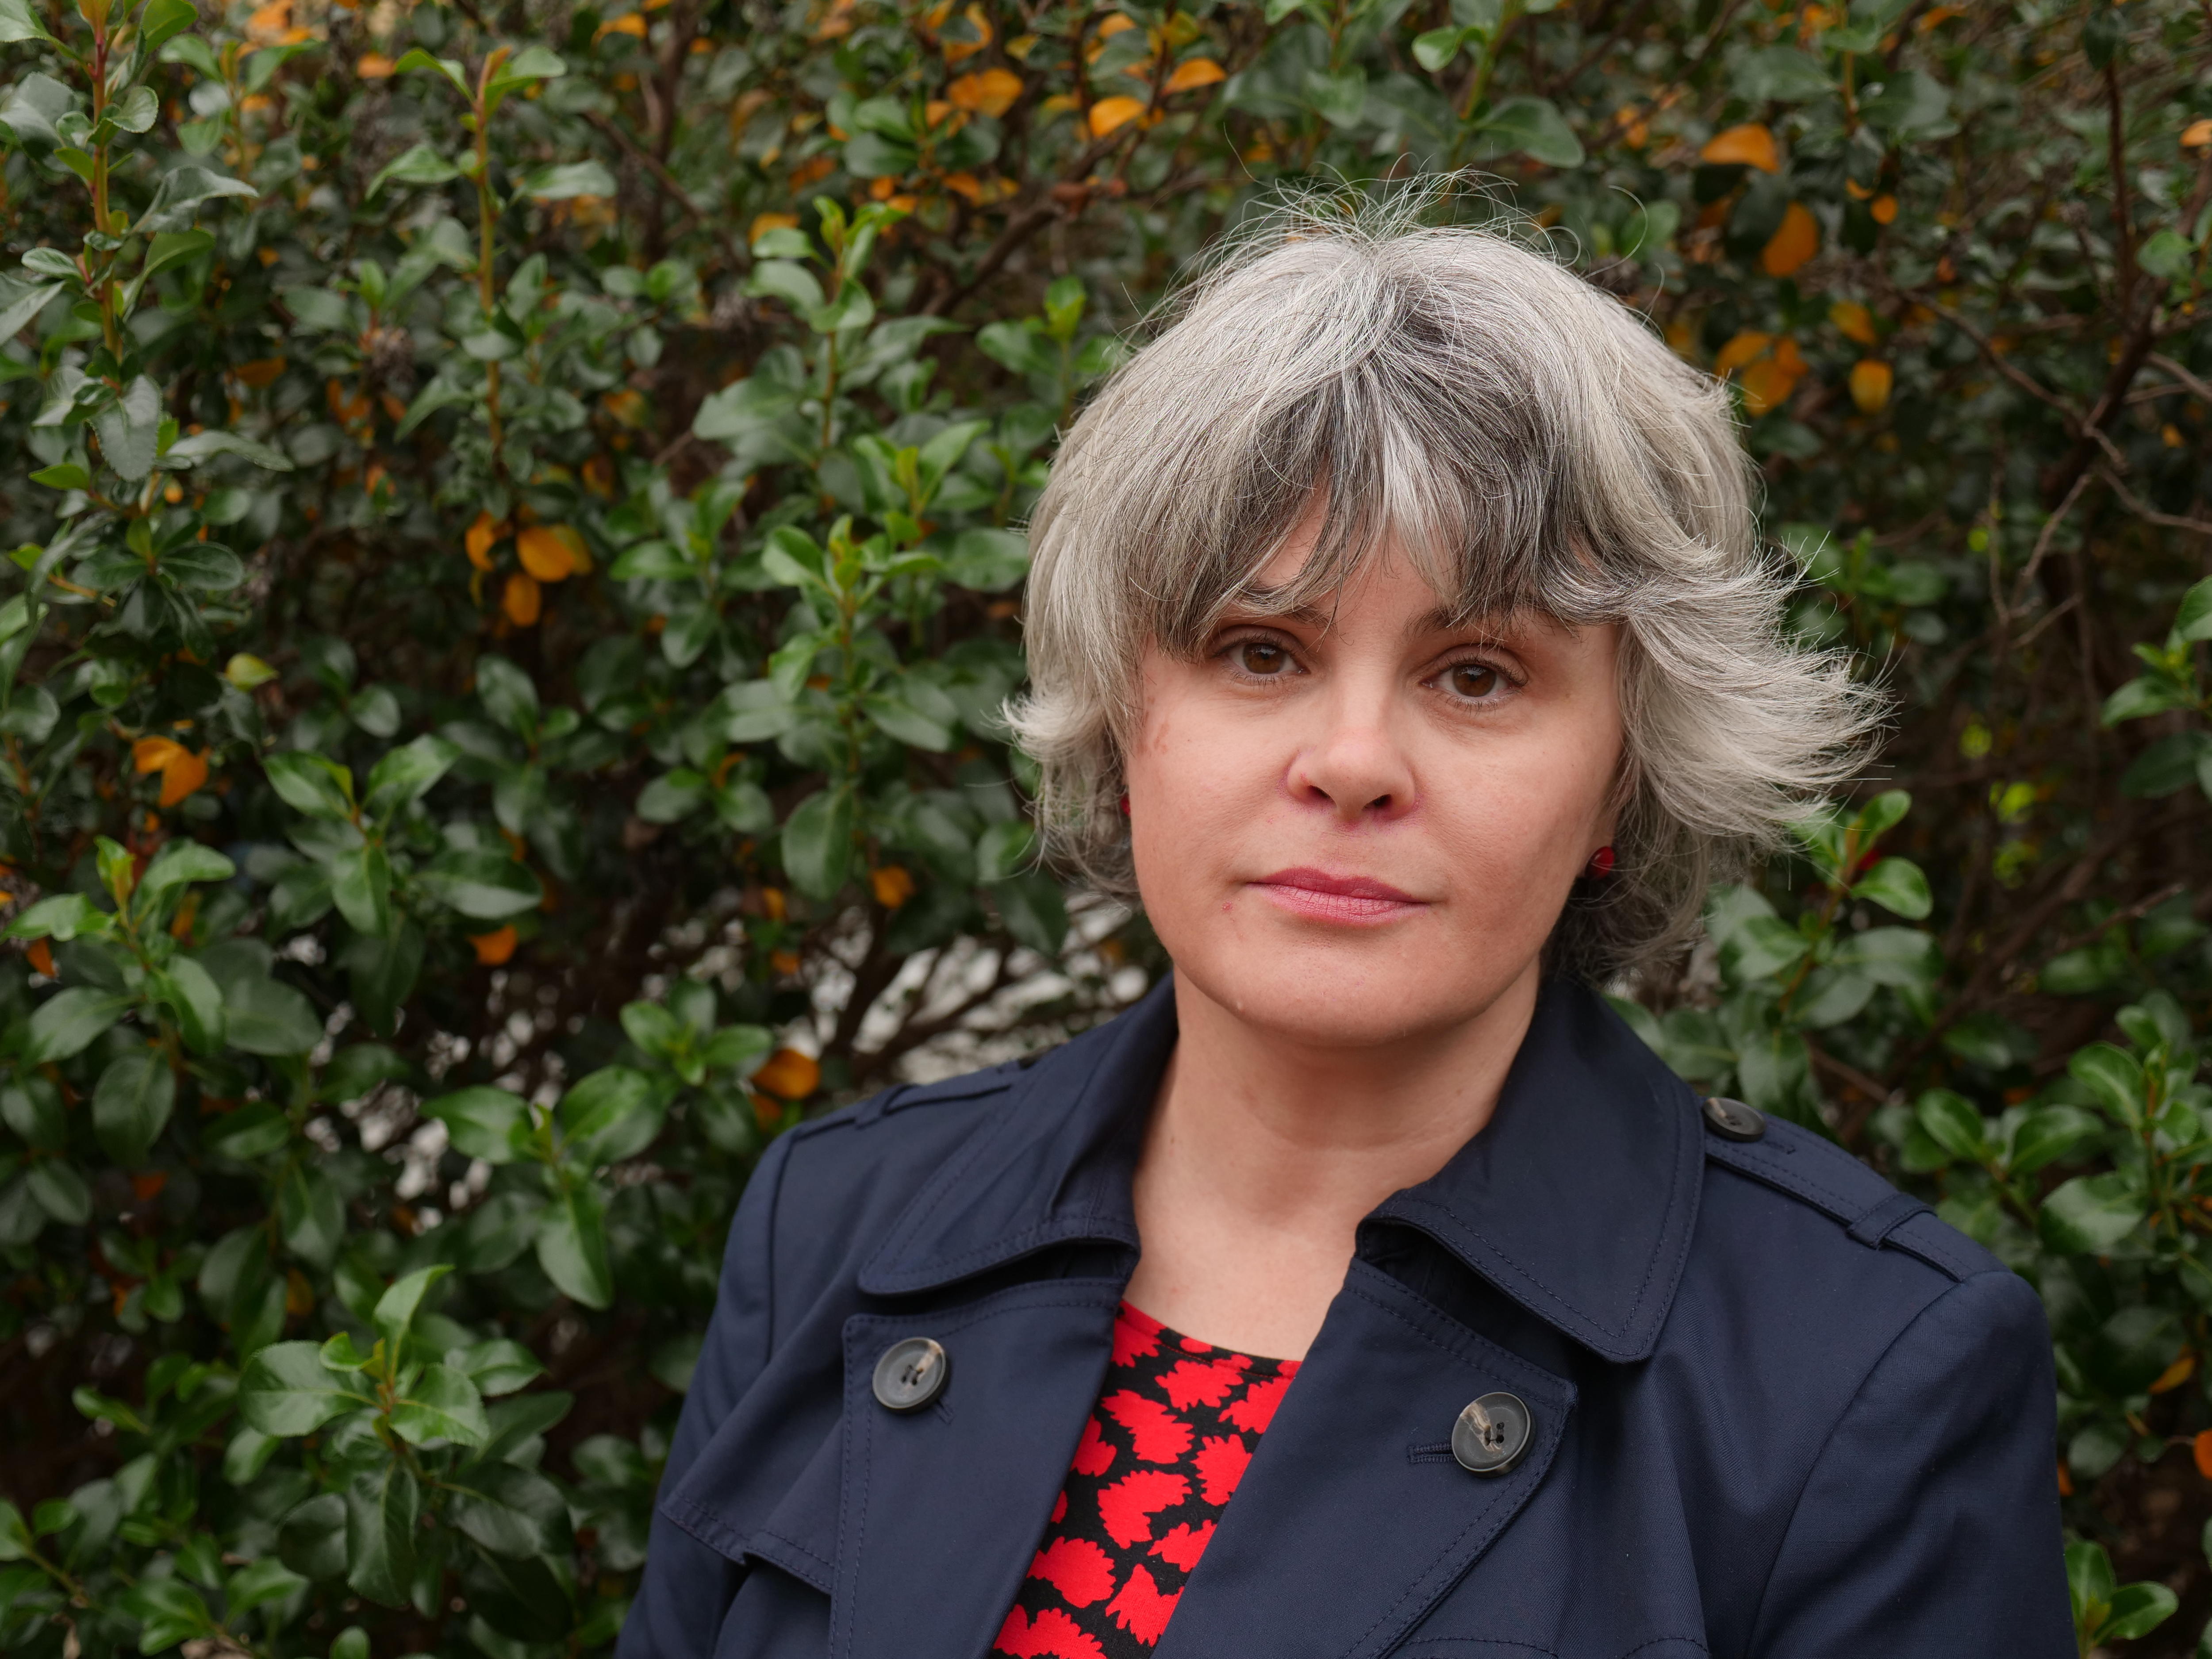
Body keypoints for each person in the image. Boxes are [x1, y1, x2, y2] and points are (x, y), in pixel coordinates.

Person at [621, 199, 2072, 1659]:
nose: (1355, 757)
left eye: (1480, 674)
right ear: (1130, 724)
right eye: (1261, 651)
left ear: (1622, 775)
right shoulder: (842, 1221)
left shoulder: (1867, 1372)